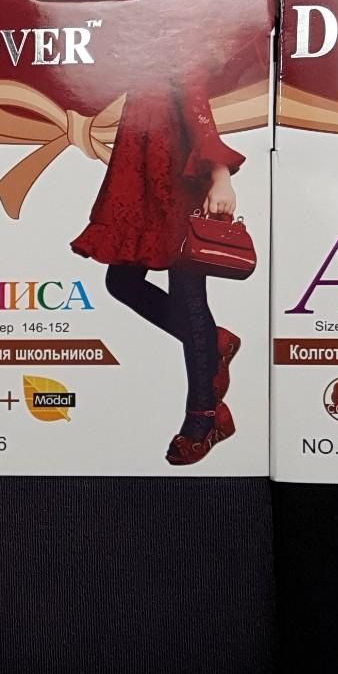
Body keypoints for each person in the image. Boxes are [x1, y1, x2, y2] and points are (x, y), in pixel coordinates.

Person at [70, 72, 244, 466]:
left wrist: (220, 177)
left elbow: (198, 108)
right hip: (142, 178)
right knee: (122, 281)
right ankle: (212, 341)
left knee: (188, 296)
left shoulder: (179, 49)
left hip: (179, 177)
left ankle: (204, 418)